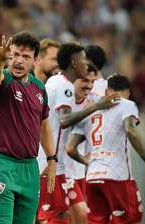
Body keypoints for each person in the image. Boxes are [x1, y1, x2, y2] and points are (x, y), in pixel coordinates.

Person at [0, 31, 57, 224]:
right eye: (14, 55)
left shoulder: (39, 87)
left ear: (35, 60)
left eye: (25, 57)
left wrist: (52, 159)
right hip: (1, 164)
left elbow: (44, 125)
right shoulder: (4, 79)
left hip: (29, 168)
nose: (18, 61)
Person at [38, 43, 118, 224]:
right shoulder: (64, 86)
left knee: (60, 216)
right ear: (74, 63)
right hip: (49, 163)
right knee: (53, 217)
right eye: (83, 60)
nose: (86, 64)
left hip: (55, 164)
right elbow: (65, 121)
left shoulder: (55, 82)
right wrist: (97, 107)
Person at [66, 74, 144, 224]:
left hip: (92, 177)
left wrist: (86, 160)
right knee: (129, 219)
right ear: (128, 92)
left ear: (107, 91)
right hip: (117, 176)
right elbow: (131, 131)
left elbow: (70, 148)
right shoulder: (127, 104)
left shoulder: (91, 112)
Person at [64, 66, 97, 224]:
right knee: (84, 217)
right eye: (85, 80)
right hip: (64, 173)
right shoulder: (63, 102)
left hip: (81, 174)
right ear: (73, 80)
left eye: (92, 81)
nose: (89, 85)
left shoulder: (93, 102)